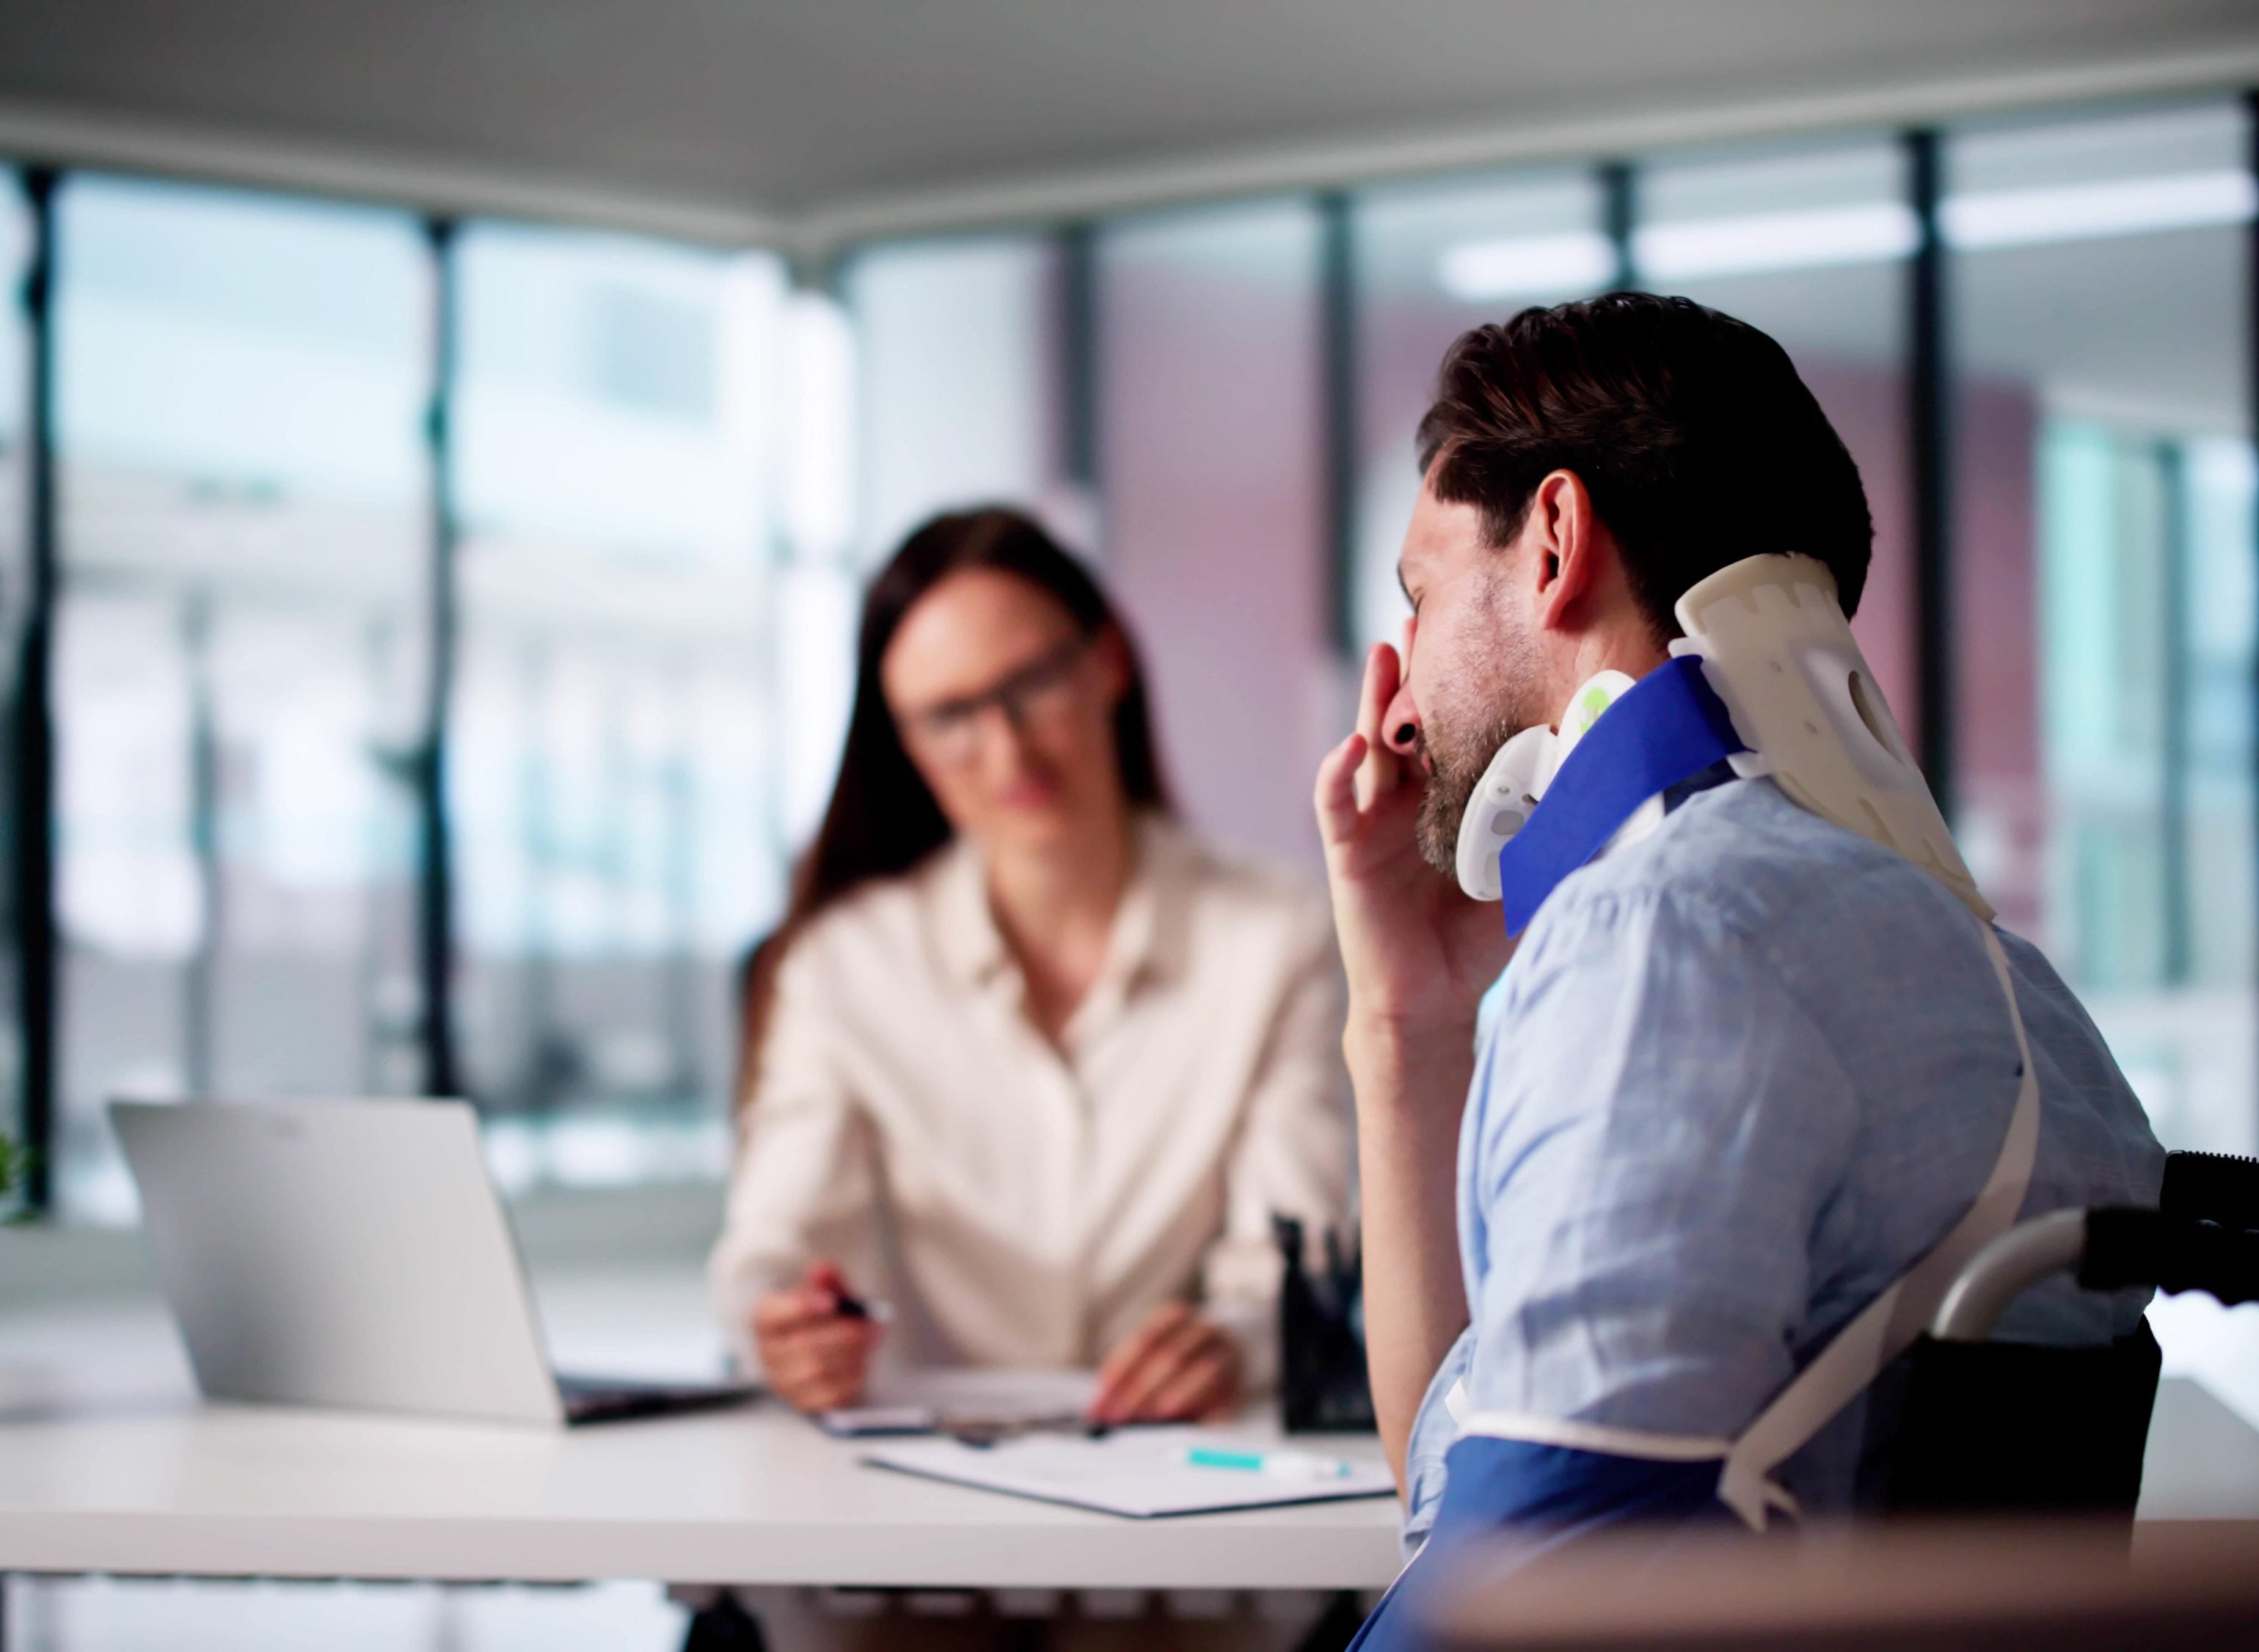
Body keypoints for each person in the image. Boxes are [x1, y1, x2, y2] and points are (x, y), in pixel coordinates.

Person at [1310, 293, 2164, 1645]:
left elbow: (1514, 1593)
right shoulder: (2019, 989)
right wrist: (1406, 1014)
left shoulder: (1666, 938)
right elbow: (1467, 1475)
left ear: (1553, 542)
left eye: (1421, 595)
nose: (1401, 695)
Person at [712, 506, 1351, 1433]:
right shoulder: (842, 967)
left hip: (1187, 1465)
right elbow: (771, 1250)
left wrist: (1235, 1339)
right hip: (930, 1472)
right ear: (906, 743)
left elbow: (1296, 1260)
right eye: (950, 716)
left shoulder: (1277, 934)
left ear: (1108, 662)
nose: (1007, 748)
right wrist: (784, 1329)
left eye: (1032, 683)